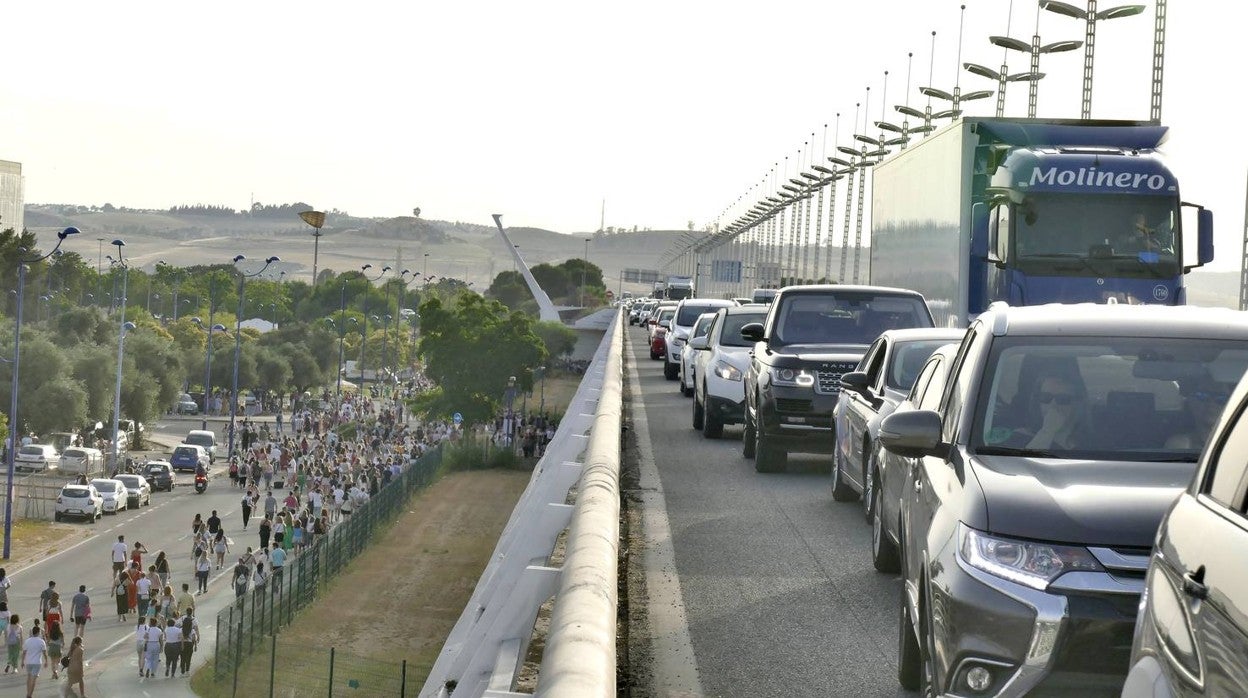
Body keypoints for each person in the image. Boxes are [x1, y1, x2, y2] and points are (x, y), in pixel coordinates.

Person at [1166, 377, 1232, 450]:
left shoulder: (1239, 443)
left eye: (1221, 398)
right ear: (1190, 401)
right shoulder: (1179, 445)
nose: (1211, 403)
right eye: (1202, 396)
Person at [20, 623, 47, 696]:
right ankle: (29, 694)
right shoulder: (41, 641)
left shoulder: (27, 641)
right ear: (38, 632)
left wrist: (22, 662)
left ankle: (28, 692)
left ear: (32, 632)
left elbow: (24, 653)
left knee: (29, 677)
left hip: (28, 662)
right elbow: (44, 653)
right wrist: (46, 661)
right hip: (37, 662)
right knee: (33, 679)